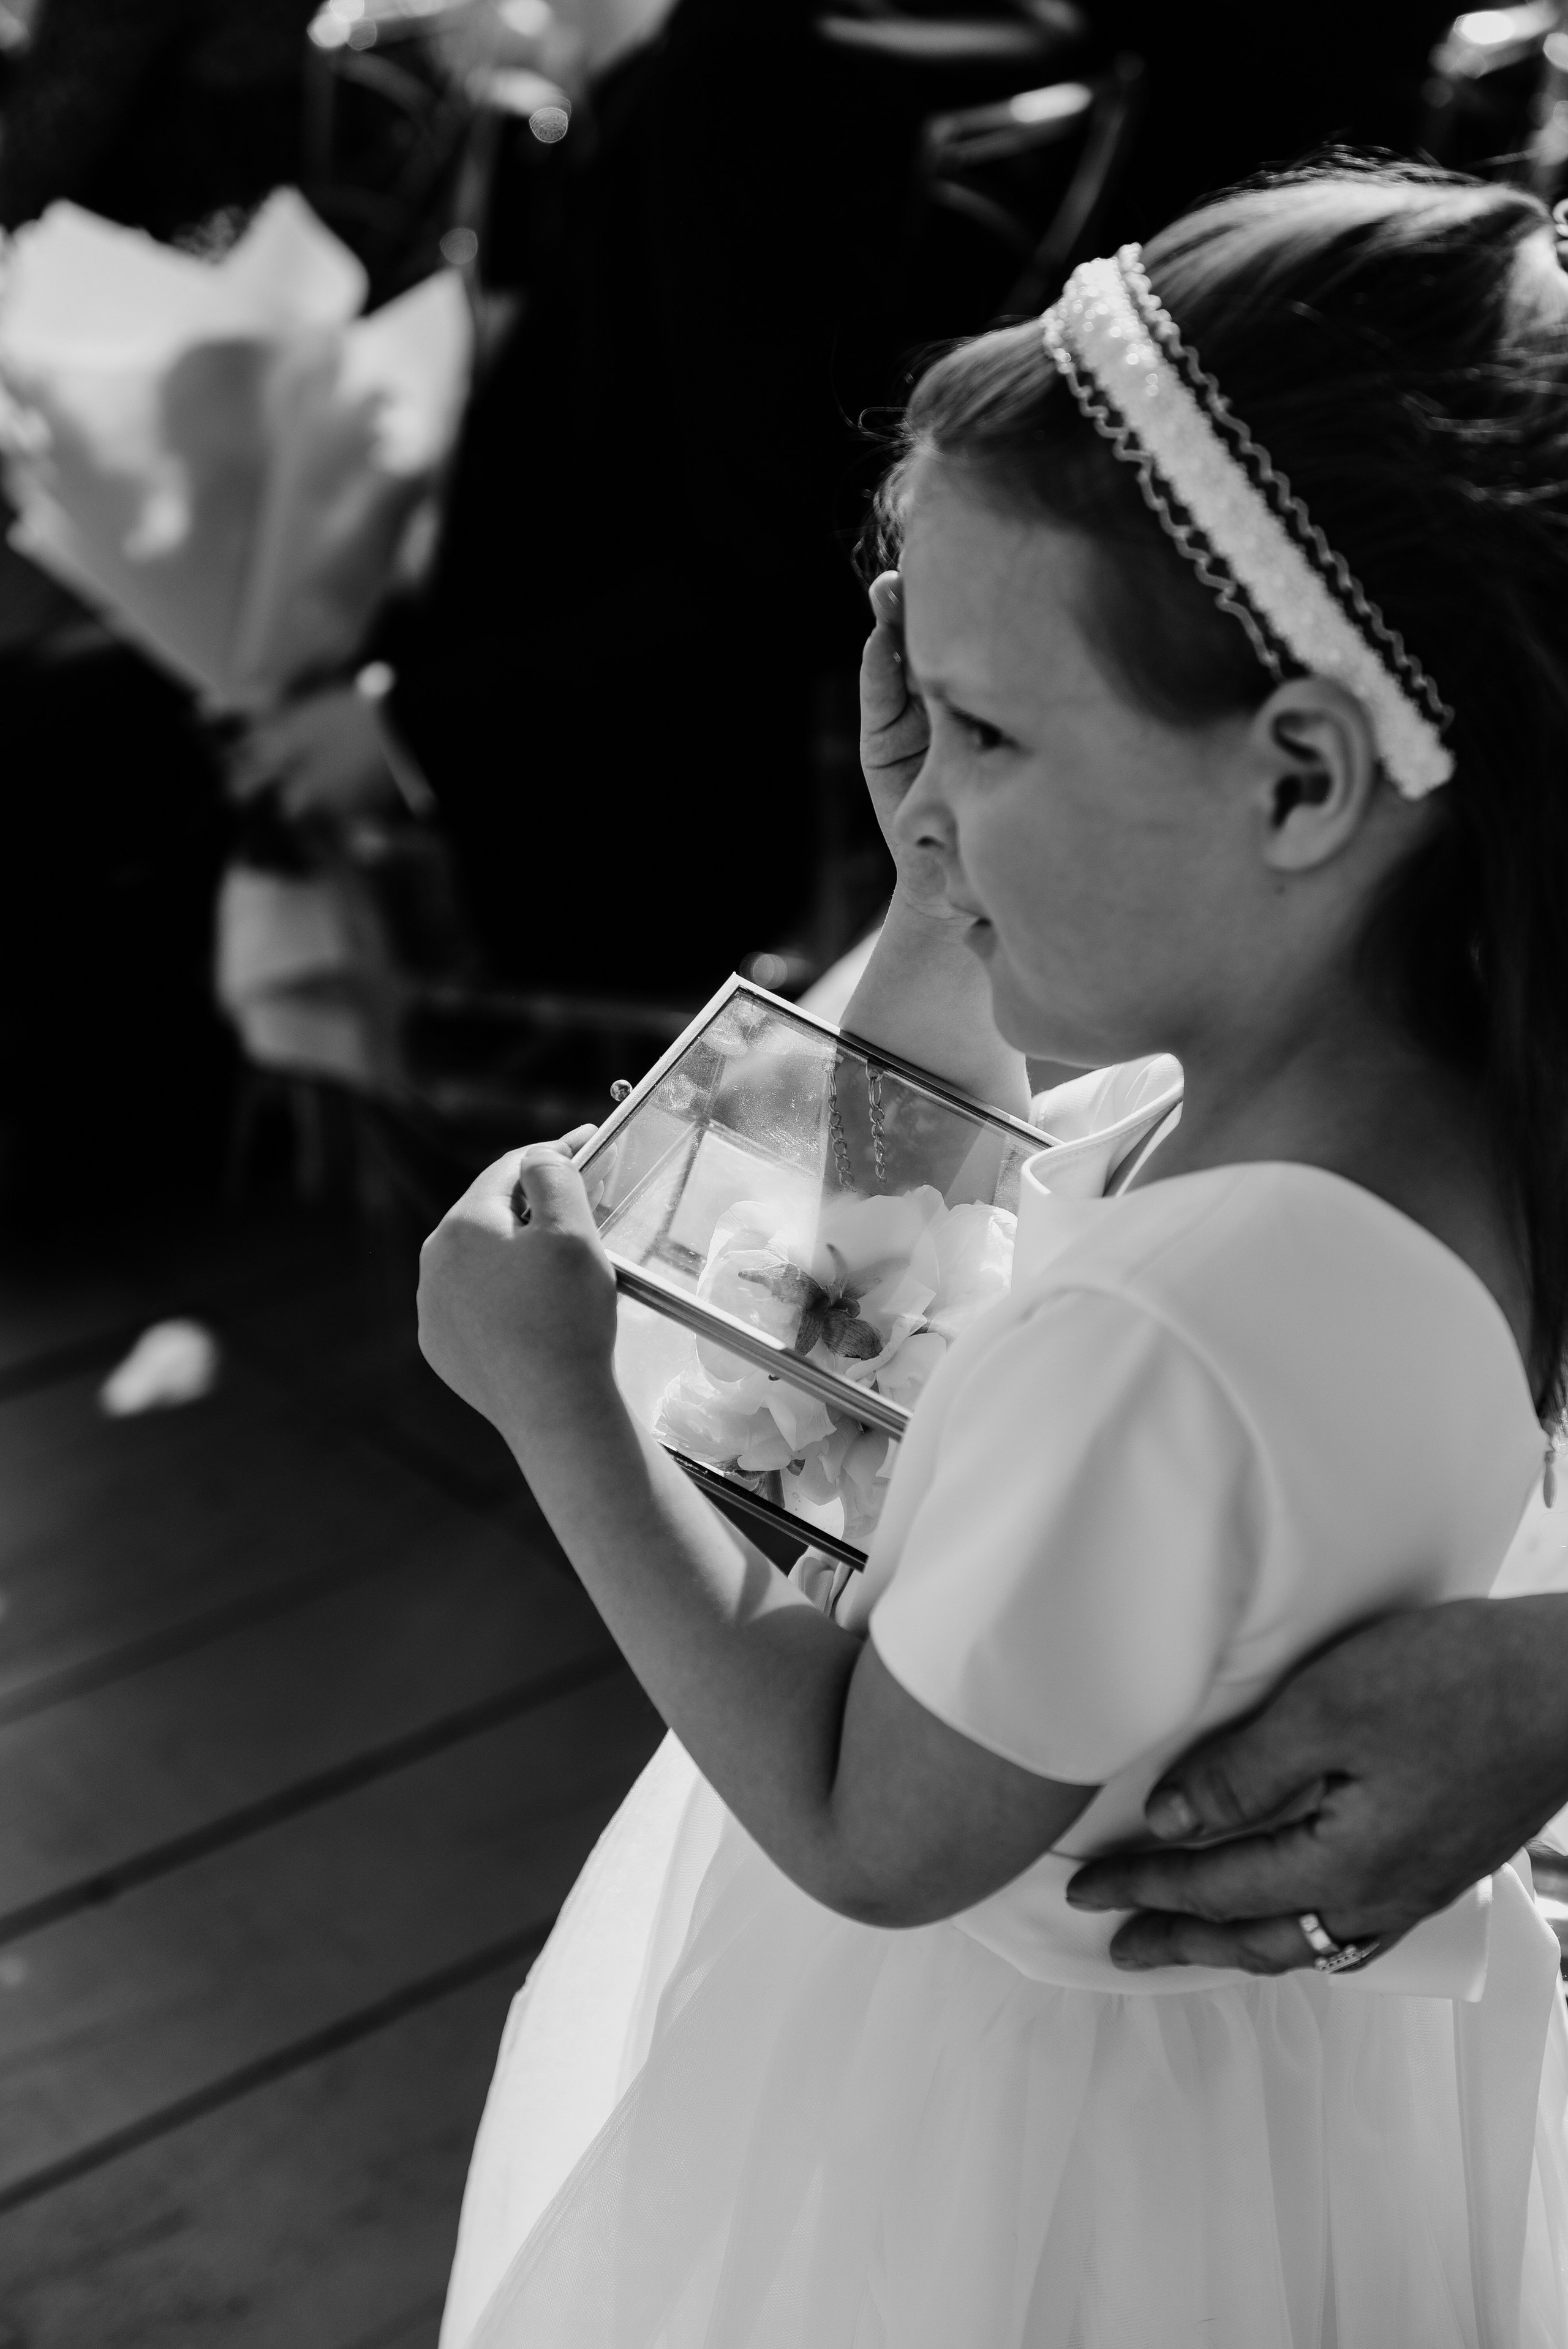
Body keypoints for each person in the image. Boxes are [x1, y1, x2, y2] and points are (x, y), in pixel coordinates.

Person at [418, 160, 1568, 2345]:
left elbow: (868, 1820)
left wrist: (557, 1403)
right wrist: (949, 897)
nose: (921, 794)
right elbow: (965, 1251)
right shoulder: (1434, 1113)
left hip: (999, 2165)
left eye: (990, 728)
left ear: (1302, 777)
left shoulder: (1165, 1325)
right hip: (1279, 2119)